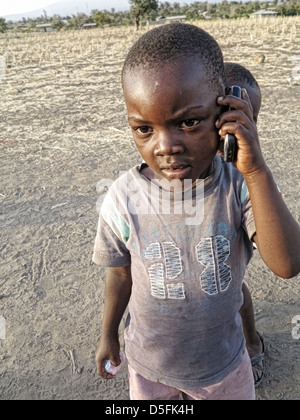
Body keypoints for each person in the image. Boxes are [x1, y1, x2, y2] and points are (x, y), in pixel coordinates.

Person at [93, 23, 300, 400]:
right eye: (143, 129)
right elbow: (120, 275)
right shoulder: (123, 197)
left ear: (226, 114)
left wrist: (254, 169)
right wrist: (108, 334)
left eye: (188, 122)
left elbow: (288, 263)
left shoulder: (239, 187)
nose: (165, 145)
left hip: (224, 369)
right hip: (150, 370)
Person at [223, 62, 264, 387]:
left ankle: (251, 341)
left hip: (227, 251)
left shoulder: (247, 175)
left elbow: (287, 259)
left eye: (248, 120)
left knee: (235, 288)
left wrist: (254, 171)